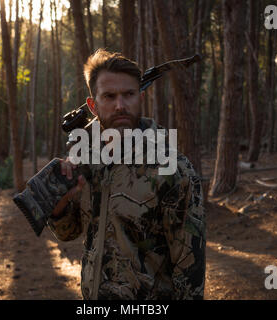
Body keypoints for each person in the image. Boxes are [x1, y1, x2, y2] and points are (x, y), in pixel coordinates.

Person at [47, 49, 206, 300]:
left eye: (129, 94)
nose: (120, 105)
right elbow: (71, 232)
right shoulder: (87, 160)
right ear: (93, 105)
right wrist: (59, 208)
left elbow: (190, 271)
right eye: (109, 96)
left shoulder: (171, 168)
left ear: (140, 96)